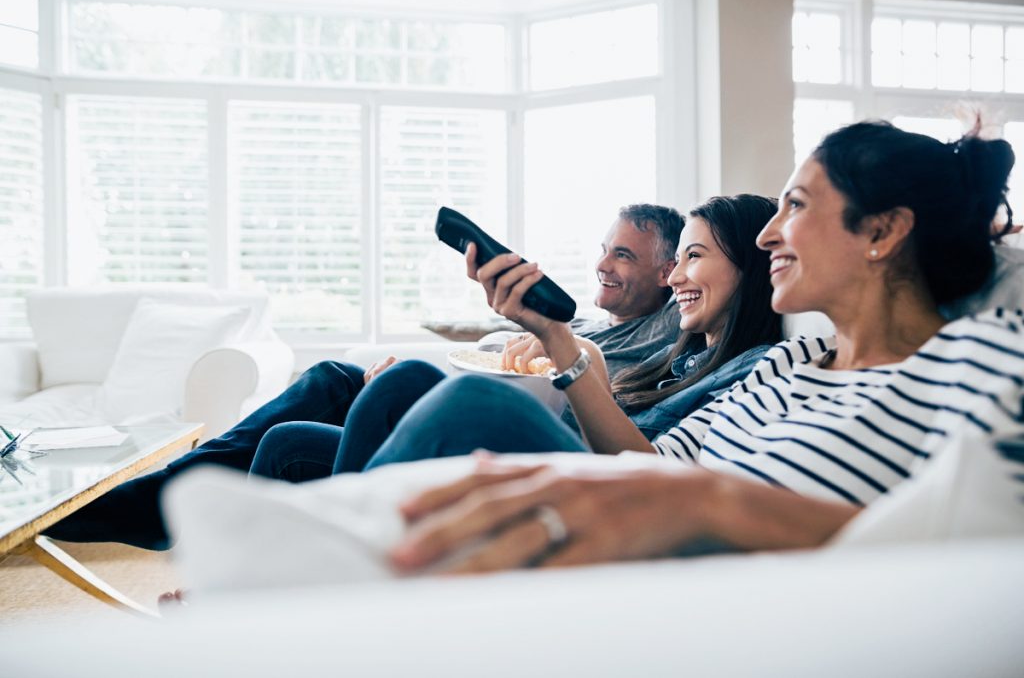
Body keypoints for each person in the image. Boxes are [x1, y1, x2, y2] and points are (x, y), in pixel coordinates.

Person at [377, 119, 1022, 574]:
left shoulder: (981, 360)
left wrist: (717, 502)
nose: (768, 234)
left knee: (475, 408)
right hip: (646, 551)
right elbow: (650, 461)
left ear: (881, 229)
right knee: (431, 396)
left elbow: (983, 554)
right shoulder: (788, 363)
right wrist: (557, 339)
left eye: (794, 205)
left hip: (722, 597)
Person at [45, 204, 685, 550]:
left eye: (623, 254)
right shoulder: (599, 327)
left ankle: (144, 506)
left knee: (336, 388)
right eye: (603, 248)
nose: (602, 264)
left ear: (668, 271)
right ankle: (154, 502)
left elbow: (571, 402)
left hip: (505, 436)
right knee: (316, 400)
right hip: (488, 404)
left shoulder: (666, 334)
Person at [249, 194, 782, 481]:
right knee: (288, 443)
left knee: (421, 385)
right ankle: (245, 590)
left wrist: (562, 342)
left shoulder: (753, 364)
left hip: (590, 476)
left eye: (694, 257)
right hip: (569, 450)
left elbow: (650, 468)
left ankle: (333, 585)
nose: (676, 277)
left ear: (750, 269)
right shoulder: (688, 357)